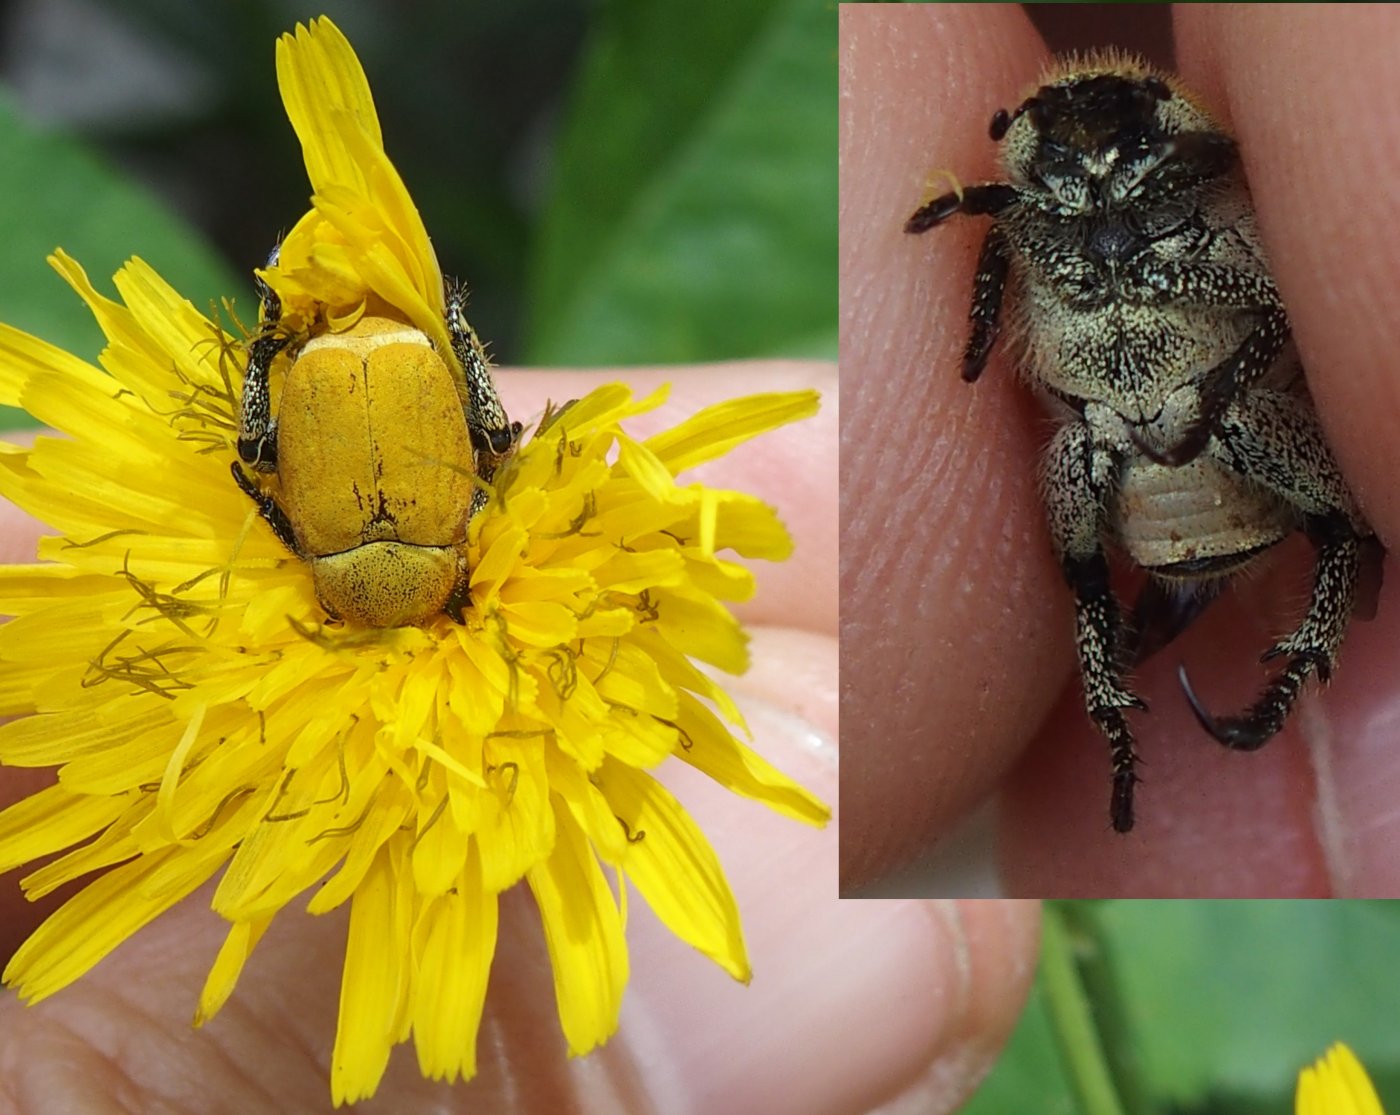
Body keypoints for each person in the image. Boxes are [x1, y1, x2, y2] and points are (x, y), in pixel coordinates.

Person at [841, 4, 1400, 897]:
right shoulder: (1020, 218)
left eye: (1122, 135)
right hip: (1108, 439)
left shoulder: (1215, 176)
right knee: (1080, 551)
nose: (1096, 170)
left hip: (1237, 417)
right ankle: (1115, 721)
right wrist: (978, 290)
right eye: (1060, 147)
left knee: (1333, 513)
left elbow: (1272, 300)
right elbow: (988, 300)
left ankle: (1307, 655)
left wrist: (1218, 358)